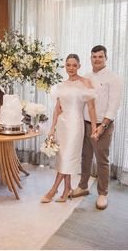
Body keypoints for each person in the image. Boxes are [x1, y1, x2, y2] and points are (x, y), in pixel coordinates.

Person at [41, 54, 97, 203]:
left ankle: (53, 190)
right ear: (65, 66)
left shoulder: (85, 83)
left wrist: (94, 128)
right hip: (62, 125)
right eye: (68, 65)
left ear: (79, 66)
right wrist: (52, 128)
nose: (71, 68)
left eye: (74, 65)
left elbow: (91, 108)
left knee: (67, 157)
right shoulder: (61, 85)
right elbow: (57, 109)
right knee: (63, 157)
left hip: (75, 125)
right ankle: (67, 189)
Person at [72, 45, 122, 210]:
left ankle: (102, 193)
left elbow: (114, 105)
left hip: (103, 126)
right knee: (85, 157)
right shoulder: (86, 77)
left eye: (100, 56)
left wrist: (102, 127)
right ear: (90, 58)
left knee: (102, 161)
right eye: (94, 57)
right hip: (85, 124)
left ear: (106, 58)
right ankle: (83, 186)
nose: (97, 59)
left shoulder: (113, 78)